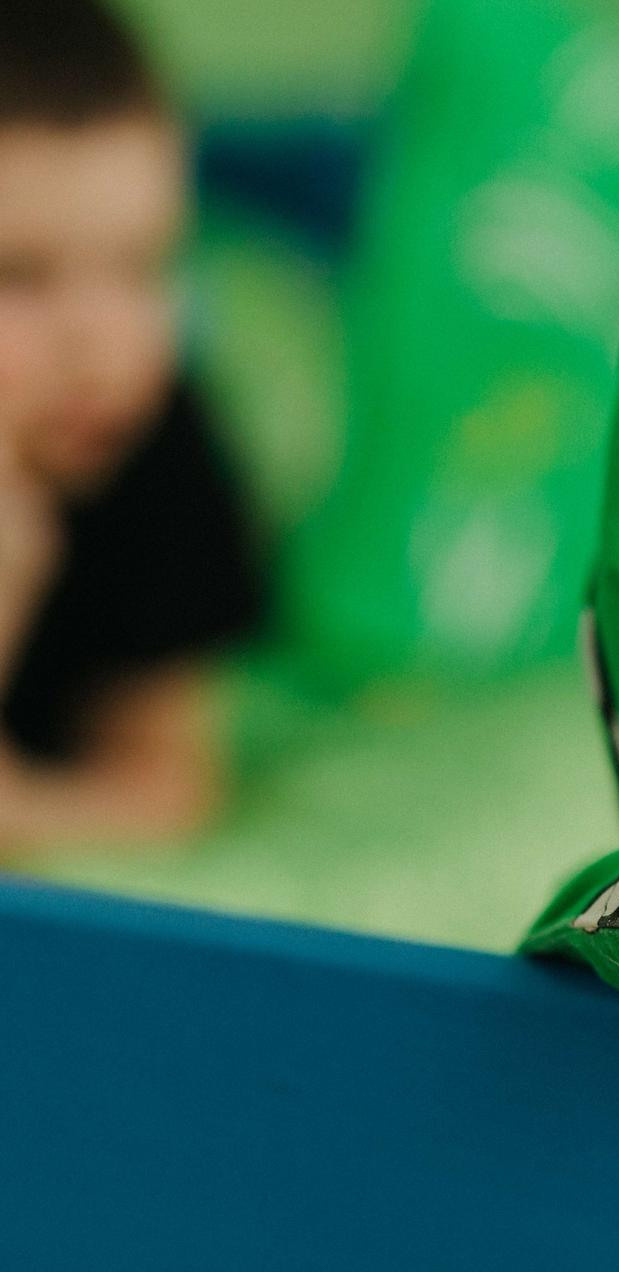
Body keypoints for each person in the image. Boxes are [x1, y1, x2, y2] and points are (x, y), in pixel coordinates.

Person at [0, 0, 263, 855]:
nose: (99, 341)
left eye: (142, 267)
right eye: (19, 275)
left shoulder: (156, 456)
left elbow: (166, 783)